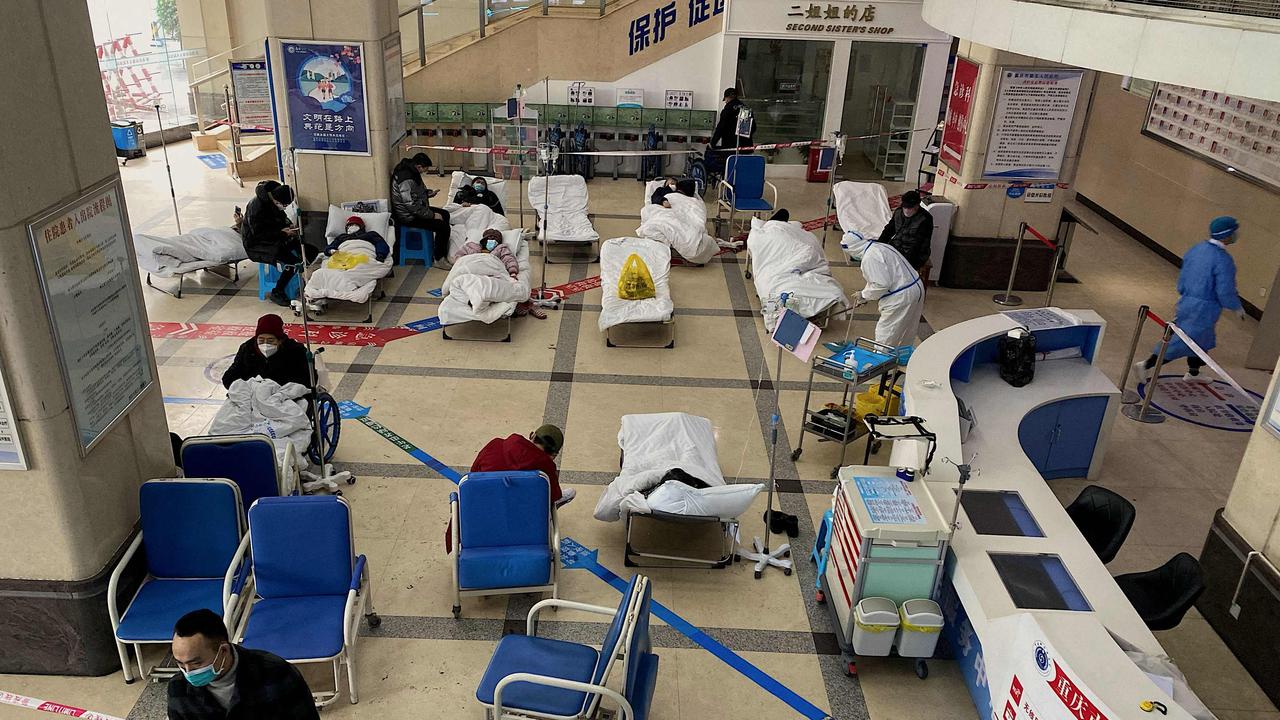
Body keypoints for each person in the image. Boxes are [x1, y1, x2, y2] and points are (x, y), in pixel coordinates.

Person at [1135, 216, 1245, 383]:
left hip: (1187, 301)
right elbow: (1225, 290)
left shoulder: (1197, 249)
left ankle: (1194, 372)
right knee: (1184, 342)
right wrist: (1236, 307)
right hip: (1204, 308)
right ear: (1227, 235)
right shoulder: (1223, 260)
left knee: (1201, 341)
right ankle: (1146, 365)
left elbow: (1184, 275)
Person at [167, 608, 319, 720]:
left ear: (224, 650)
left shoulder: (277, 674)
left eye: (196, 663)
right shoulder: (178, 689)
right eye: (180, 663)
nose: (188, 672)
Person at [243, 181, 317, 307]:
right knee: (293, 262)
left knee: (310, 251)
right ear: (276, 200)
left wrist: (289, 226)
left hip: (275, 237)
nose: (284, 207)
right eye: (284, 204)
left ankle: (304, 280)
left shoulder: (272, 200)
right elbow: (258, 234)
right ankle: (277, 291)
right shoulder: (257, 208)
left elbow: (280, 218)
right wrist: (282, 233)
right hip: (257, 244)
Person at [845, 230, 924, 348]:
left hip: (901, 296)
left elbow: (881, 284)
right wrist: (865, 295)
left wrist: (864, 295)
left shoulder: (870, 257)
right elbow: (879, 277)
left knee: (886, 333)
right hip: (915, 287)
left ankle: (881, 361)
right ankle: (903, 357)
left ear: (852, 248)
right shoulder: (880, 246)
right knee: (908, 329)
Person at [471, 424, 574, 506]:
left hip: (482, 508)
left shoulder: (495, 444)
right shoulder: (547, 470)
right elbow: (554, 496)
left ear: (532, 435)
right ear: (554, 455)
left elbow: (473, 474)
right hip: (521, 520)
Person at [222, 313, 313, 389]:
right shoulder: (247, 349)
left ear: (280, 340)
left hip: (284, 395)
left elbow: (309, 380)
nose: (265, 344)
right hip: (251, 394)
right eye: (261, 340)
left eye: (270, 340)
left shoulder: (295, 351)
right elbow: (229, 378)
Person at [391, 152, 450, 262]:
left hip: (415, 210)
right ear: (419, 166)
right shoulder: (406, 178)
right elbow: (410, 204)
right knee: (442, 226)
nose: (425, 172)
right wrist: (432, 215)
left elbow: (416, 193)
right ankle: (439, 258)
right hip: (407, 216)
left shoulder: (412, 172)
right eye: (425, 169)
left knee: (445, 214)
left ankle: (441, 250)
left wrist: (428, 193)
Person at [877, 190, 933, 275]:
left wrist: (902, 261)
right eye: (905, 207)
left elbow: (920, 244)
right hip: (897, 247)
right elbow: (888, 230)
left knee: (896, 271)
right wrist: (878, 245)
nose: (906, 210)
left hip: (915, 254)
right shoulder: (898, 212)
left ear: (917, 206)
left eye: (910, 208)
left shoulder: (925, 219)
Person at [324, 215, 390, 262]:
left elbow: (380, 243)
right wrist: (330, 250)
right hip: (345, 257)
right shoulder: (342, 237)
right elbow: (331, 245)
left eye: (353, 225)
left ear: (361, 227)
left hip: (364, 255)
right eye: (348, 226)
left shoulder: (370, 234)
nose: (350, 227)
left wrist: (380, 254)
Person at [710, 88, 751, 152]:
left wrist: (713, 143)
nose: (725, 102)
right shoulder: (745, 108)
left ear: (727, 98)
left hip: (730, 145)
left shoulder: (728, 109)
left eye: (725, 100)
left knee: (730, 161)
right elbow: (753, 127)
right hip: (745, 146)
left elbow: (721, 127)